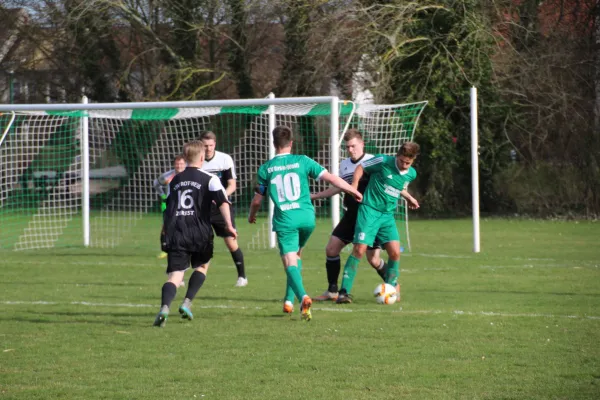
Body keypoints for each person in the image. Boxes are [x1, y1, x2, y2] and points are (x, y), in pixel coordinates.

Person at [248, 126, 363, 321]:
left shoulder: (266, 168)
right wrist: (352, 190)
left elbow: (257, 200)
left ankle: (302, 297)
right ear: (291, 143)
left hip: (286, 220)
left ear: (274, 144)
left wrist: (252, 215)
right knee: (297, 255)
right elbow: (332, 178)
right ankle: (288, 300)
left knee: (289, 261)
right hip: (307, 218)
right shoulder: (303, 161)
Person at [153, 140, 237, 327]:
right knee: (202, 267)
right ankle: (187, 303)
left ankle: (164, 308)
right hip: (200, 231)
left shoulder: (174, 180)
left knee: (175, 276)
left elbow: (168, 208)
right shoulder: (210, 179)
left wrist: (166, 229)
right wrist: (229, 226)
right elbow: (223, 202)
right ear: (201, 157)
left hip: (177, 230)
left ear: (185, 157)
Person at [336, 142, 421, 304]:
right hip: (370, 210)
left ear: (413, 160)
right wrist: (354, 186)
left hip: (387, 215)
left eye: (407, 163)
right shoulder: (382, 161)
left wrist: (408, 197)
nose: (404, 165)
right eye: (401, 161)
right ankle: (343, 292)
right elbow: (361, 168)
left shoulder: (411, 174)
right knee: (359, 250)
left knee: (395, 253)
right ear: (397, 156)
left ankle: (391, 289)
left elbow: (395, 185)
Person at [310, 129, 386, 301]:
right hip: (351, 215)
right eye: (347, 147)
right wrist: (317, 195)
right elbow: (340, 186)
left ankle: (393, 283)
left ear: (362, 144)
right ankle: (332, 291)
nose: (350, 150)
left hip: (369, 217)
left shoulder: (373, 161)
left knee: (373, 260)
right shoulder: (344, 165)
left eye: (353, 146)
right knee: (331, 249)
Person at [199, 131, 248, 287]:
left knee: (231, 242)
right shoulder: (195, 160)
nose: (208, 149)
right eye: (205, 146)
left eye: (210, 145)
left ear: (215, 144)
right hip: (201, 209)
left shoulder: (224, 159)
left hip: (221, 208)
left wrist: (220, 197)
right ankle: (184, 276)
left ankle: (242, 277)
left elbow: (232, 185)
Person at [153, 155, 187, 260]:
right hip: (171, 203)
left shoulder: (190, 174)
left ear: (185, 164)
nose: (179, 166)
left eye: (181, 164)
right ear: (174, 164)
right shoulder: (168, 175)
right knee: (166, 227)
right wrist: (163, 196)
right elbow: (156, 183)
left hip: (186, 205)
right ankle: (164, 250)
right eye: (177, 164)